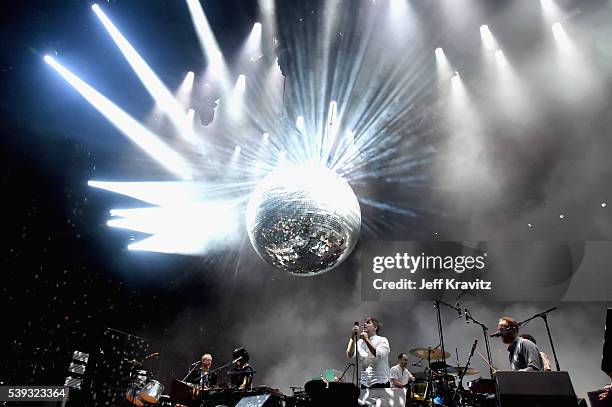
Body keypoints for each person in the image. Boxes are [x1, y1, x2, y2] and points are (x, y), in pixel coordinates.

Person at [346, 316, 391, 388]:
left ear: (375, 327)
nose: (365, 324)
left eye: (368, 323)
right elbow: (349, 354)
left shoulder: (382, 340)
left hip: (380, 382)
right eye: (364, 323)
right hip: (364, 383)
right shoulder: (360, 342)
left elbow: (378, 355)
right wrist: (353, 336)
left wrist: (367, 340)